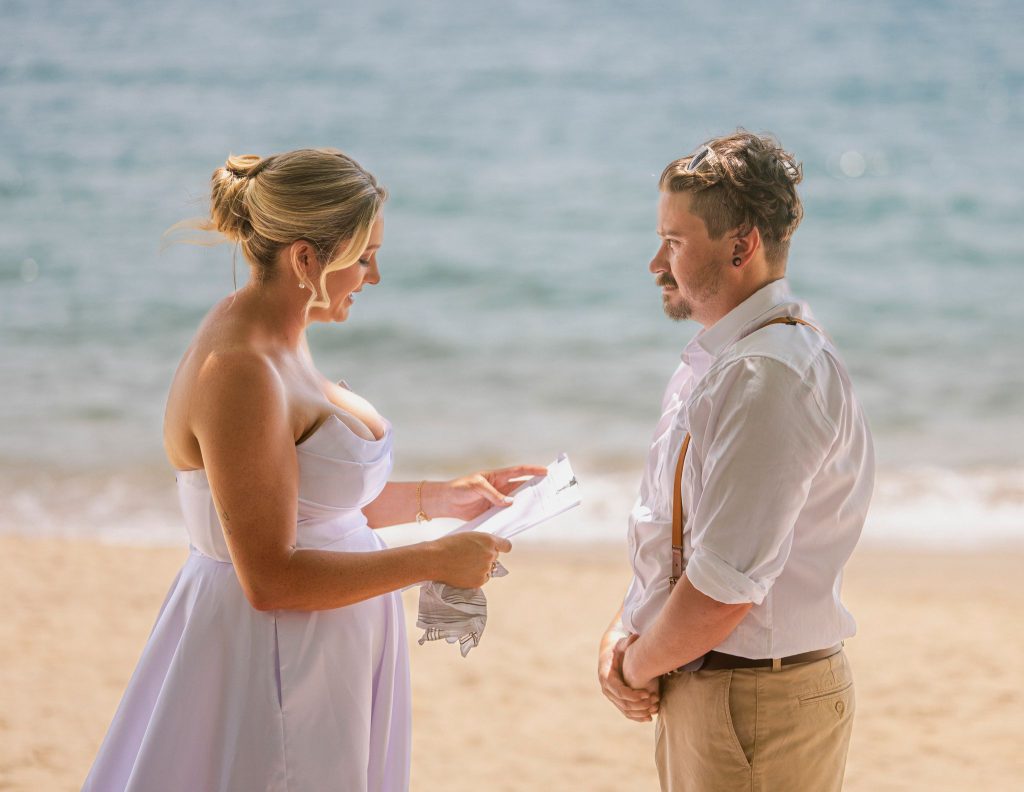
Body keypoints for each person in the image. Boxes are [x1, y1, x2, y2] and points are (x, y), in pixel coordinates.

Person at [82, 148, 545, 792]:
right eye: (363, 256)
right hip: (275, 650)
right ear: (306, 259)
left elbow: (303, 504)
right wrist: (433, 561)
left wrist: (443, 497)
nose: (374, 276)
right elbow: (270, 578)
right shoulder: (241, 367)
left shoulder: (277, 329)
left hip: (326, 646)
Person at [597, 131, 874, 791]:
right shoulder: (727, 361)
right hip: (722, 687)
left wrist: (637, 665)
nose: (655, 264)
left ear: (741, 245)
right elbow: (683, 541)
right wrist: (625, 631)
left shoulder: (765, 375)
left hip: (753, 702)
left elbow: (724, 586)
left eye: (674, 241)